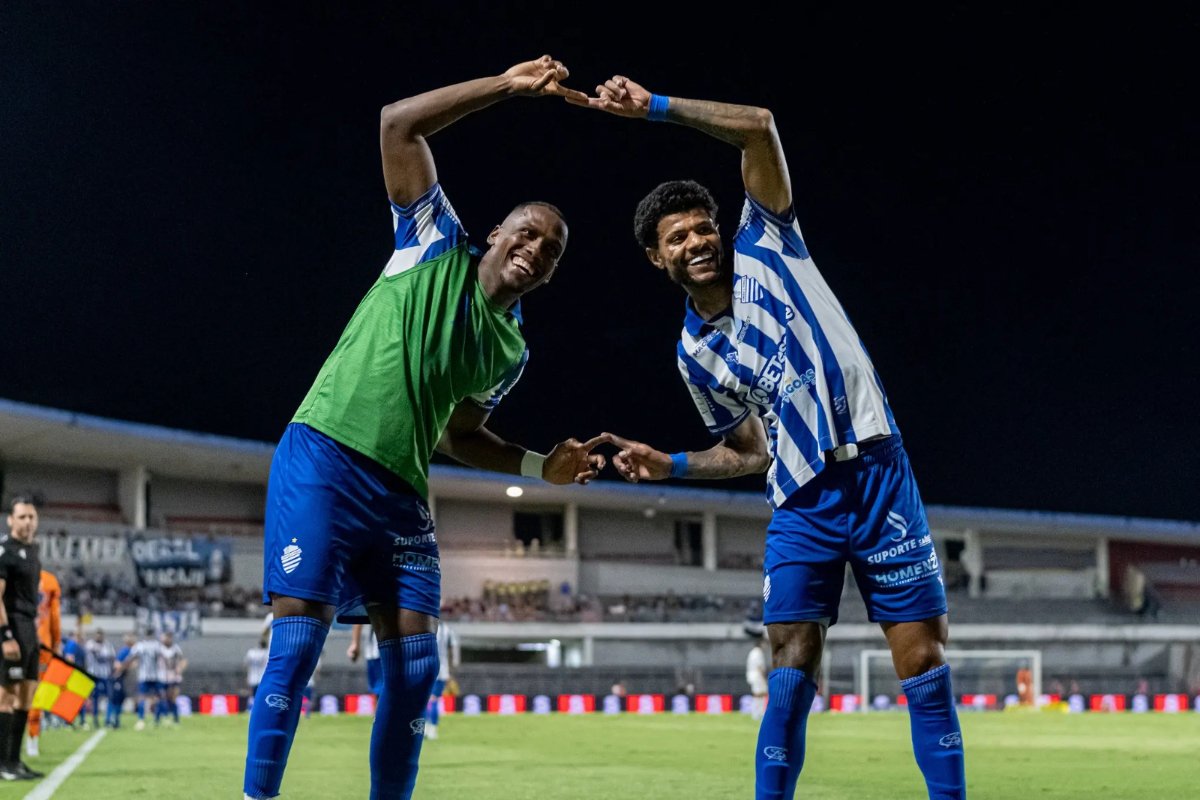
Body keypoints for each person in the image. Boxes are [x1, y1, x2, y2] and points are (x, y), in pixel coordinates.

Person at [570, 76, 966, 798]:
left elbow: (759, 126)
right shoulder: (693, 356)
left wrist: (655, 107)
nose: (695, 241)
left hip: (878, 472)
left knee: (923, 661)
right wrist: (674, 463)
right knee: (791, 665)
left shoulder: (769, 240)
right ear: (657, 259)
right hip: (801, 501)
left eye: (700, 227)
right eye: (676, 237)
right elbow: (750, 452)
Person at [242, 55, 605, 800]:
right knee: (299, 643)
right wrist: (505, 87)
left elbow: (460, 437)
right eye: (528, 233)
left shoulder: (510, 350)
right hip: (326, 455)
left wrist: (543, 468)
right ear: (498, 232)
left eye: (552, 251)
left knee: (414, 669)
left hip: (403, 494)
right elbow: (397, 122)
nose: (534, 251)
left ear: (552, 275)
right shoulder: (433, 239)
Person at [0, 495, 46, 781]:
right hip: (11, 627)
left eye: (32, 517)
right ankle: (2, 764)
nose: (28, 522)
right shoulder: (4, 552)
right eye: (22, 517)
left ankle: (14, 761)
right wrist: (6, 636)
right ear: (11, 520)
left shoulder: (33, 551)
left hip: (29, 628)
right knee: (6, 697)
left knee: (26, 697)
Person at [25, 566, 62, 758]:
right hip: (41, 646)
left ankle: (10, 746)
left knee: (9, 694)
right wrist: (56, 643)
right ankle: (32, 740)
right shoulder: (48, 580)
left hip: (16, 641)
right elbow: (55, 616)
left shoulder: (9, 572)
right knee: (36, 695)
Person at [424, 619, 460, 739]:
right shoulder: (448, 630)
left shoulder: (426, 628)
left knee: (425, 700)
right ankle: (432, 729)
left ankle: (426, 729)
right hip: (442, 671)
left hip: (425, 669)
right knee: (433, 700)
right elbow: (454, 653)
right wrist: (452, 669)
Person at [125, 628, 162, 731]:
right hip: (155, 676)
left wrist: (127, 667)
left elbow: (130, 657)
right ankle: (156, 719)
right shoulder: (157, 645)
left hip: (144, 676)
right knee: (157, 698)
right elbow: (163, 658)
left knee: (142, 697)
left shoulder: (140, 646)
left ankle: (141, 719)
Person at [83, 627, 117, 730]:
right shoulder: (90, 644)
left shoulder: (108, 645)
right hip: (93, 675)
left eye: (100, 634)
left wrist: (113, 672)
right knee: (94, 698)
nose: (99, 636)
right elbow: (91, 657)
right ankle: (94, 718)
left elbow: (112, 659)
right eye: (97, 634)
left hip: (105, 675)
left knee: (109, 697)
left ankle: (108, 719)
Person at [156, 631, 186, 726]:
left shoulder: (176, 649)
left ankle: (175, 719)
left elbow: (183, 661)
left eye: (168, 638)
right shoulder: (159, 649)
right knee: (160, 698)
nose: (166, 640)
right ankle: (158, 719)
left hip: (174, 677)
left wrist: (180, 668)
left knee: (172, 698)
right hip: (161, 677)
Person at [347, 623, 383, 696]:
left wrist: (355, 643)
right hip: (375, 650)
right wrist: (355, 643)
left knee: (383, 691)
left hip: (379, 650)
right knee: (380, 691)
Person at [110, 632, 137, 729]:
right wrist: (125, 666)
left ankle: (115, 720)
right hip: (119, 678)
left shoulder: (130, 651)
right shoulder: (125, 651)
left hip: (124, 678)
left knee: (120, 699)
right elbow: (117, 665)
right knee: (116, 700)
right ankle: (112, 720)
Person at [746, 627, 769, 722]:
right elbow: (759, 667)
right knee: (759, 694)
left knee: (759, 694)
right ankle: (757, 713)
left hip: (752, 675)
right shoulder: (758, 653)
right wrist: (764, 677)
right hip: (757, 676)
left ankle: (758, 713)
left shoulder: (752, 652)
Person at [245, 634, 271, 706]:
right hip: (262, 677)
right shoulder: (267, 653)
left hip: (252, 676)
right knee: (261, 694)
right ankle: (257, 707)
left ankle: (250, 707)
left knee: (252, 693)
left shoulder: (251, 652)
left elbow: (246, 663)